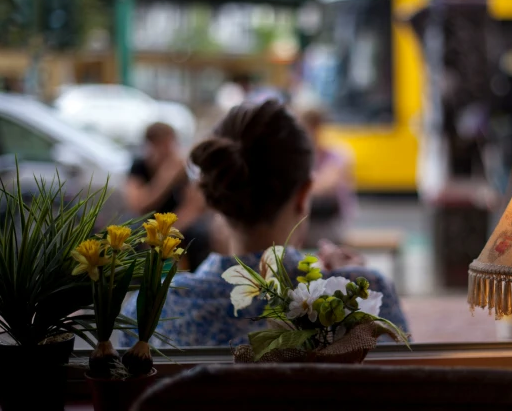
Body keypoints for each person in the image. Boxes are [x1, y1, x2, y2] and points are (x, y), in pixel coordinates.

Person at [119, 100, 407, 348]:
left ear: (213, 197)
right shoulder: (360, 299)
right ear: (303, 195)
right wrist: (355, 285)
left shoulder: (152, 307)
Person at [124, 122, 212, 271]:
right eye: (161, 145)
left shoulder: (182, 169)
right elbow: (138, 205)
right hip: (147, 221)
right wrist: (166, 177)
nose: (168, 150)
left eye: (170, 144)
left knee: (199, 236)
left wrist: (168, 230)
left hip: (177, 222)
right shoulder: (139, 166)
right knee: (131, 235)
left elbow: (195, 206)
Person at [296, 105, 357, 248]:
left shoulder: (338, 155)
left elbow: (325, 187)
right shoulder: (297, 157)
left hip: (329, 222)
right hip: (309, 220)